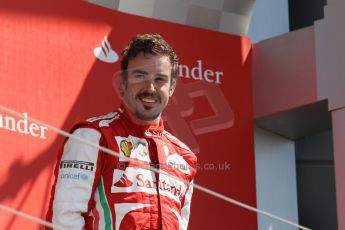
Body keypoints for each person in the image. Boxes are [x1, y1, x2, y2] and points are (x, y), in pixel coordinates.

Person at [46, 34, 197, 230]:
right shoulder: (92, 136)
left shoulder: (184, 156)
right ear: (123, 83)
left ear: (172, 87)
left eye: (160, 79)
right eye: (140, 76)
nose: (150, 88)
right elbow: (64, 220)